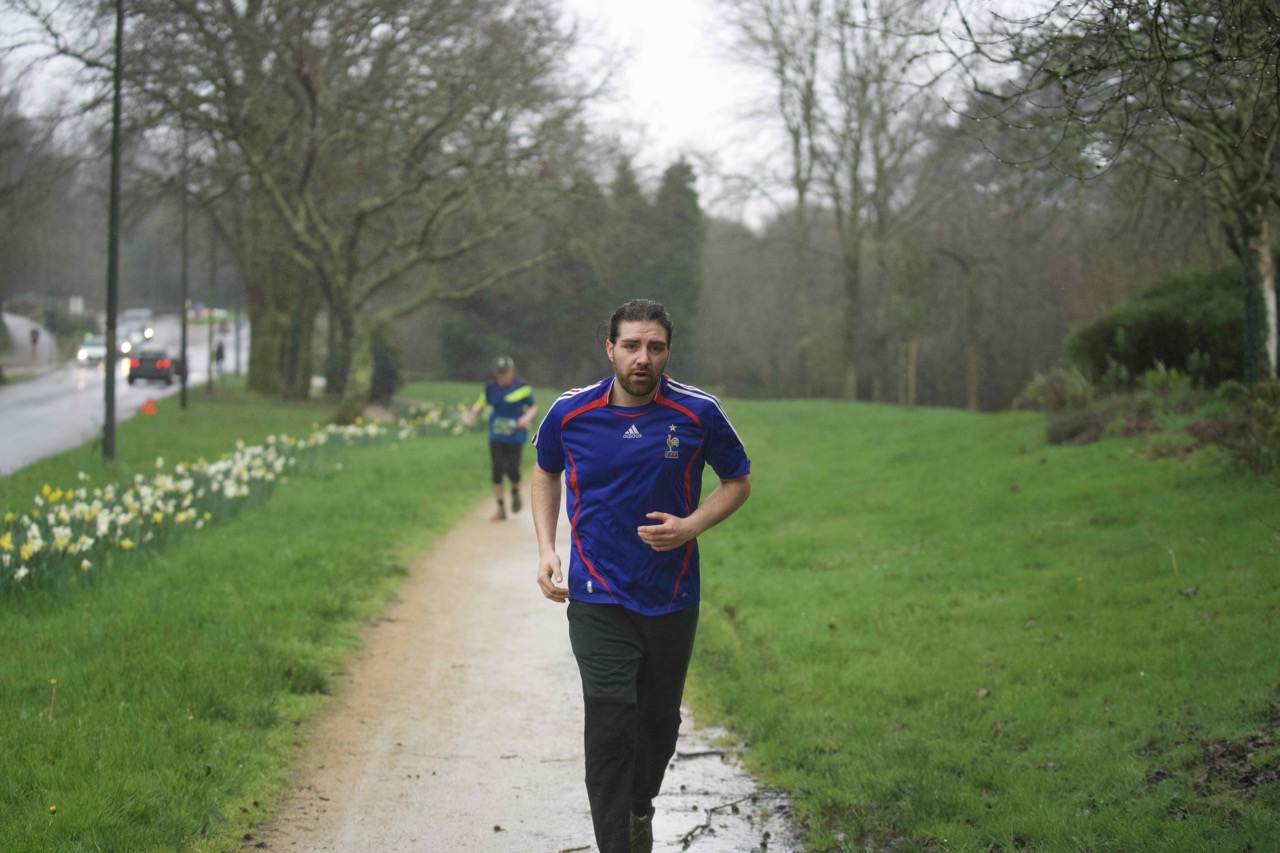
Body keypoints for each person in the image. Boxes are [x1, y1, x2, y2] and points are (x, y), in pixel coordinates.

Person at [530, 299, 752, 853]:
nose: (642, 358)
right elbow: (545, 470)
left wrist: (690, 526)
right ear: (610, 349)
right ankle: (616, 842)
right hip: (596, 593)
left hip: (671, 595)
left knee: (657, 725)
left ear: (668, 352)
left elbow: (737, 481)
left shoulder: (698, 412)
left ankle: (637, 807)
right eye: (631, 346)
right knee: (609, 725)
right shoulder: (570, 412)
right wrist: (546, 548)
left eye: (654, 347)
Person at [465, 356, 537, 521]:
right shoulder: (491, 387)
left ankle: (515, 491)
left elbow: (533, 406)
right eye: (499, 372)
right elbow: (481, 402)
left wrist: (525, 418)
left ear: (511, 371)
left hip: (515, 435)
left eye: (505, 372)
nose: (502, 375)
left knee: (513, 469)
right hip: (496, 435)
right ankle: (501, 508)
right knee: (497, 469)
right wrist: (473, 413)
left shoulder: (522, 386)